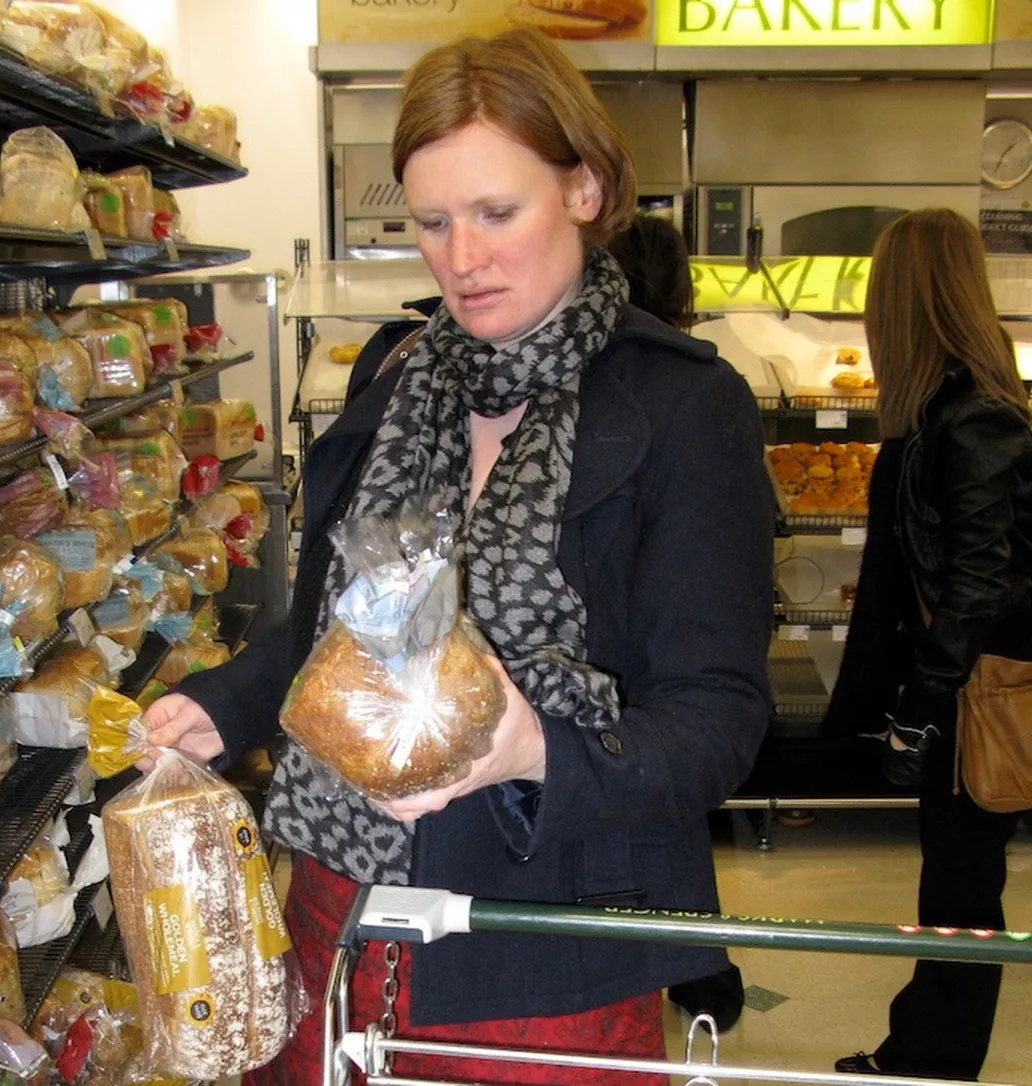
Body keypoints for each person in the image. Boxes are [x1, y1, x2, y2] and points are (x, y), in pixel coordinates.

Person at [142, 27, 775, 1084]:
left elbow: (718, 719)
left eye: (496, 212)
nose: (461, 260)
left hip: (551, 947)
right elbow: (335, 635)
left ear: (585, 189)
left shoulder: (683, 409)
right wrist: (234, 702)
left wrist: (534, 754)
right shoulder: (396, 383)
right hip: (340, 906)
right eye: (431, 222)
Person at [823, 207, 1032, 1080]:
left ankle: (934, 1060)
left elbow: (982, 584)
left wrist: (921, 701)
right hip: (965, 687)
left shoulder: (974, 419)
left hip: (975, 696)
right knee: (954, 883)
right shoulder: (950, 413)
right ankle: (922, 1043)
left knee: (960, 888)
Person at [607, 213, 746, 1034]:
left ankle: (698, 965)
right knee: (669, 808)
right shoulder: (690, 382)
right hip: (663, 660)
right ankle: (702, 970)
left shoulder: (664, 386)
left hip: (619, 667)